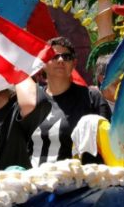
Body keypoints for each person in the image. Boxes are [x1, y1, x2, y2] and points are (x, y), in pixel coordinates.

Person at [29, 37, 111, 166]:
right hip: (33, 181)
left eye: (66, 57)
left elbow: (108, 142)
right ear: (42, 64)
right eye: (54, 56)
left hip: (78, 182)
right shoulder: (30, 100)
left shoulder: (91, 97)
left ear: (74, 63)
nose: (61, 60)